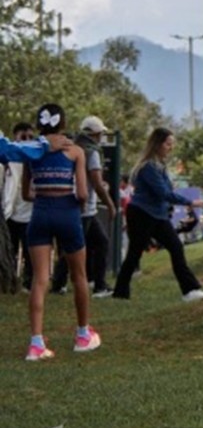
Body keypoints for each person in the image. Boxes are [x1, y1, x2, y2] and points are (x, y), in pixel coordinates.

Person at [22, 103, 99, 361]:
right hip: (67, 213)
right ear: (63, 123)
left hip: (40, 214)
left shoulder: (31, 152)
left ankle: (36, 342)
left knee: (40, 279)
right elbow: (84, 193)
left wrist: (43, 194)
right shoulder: (75, 151)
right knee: (79, 275)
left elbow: (26, 193)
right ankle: (82, 335)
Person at [111, 128, 203, 302]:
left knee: (175, 246)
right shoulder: (149, 167)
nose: (171, 147)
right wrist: (190, 202)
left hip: (156, 215)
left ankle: (190, 290)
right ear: (157, 144)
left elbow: (167, 192)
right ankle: (120, 292)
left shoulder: (159, 166)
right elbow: (163, 193)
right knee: (135, 253)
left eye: (172, 144)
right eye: (168, 144)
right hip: (142, 214)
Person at [51, 116, 116, 298]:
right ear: (95, 133)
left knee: (98, 242)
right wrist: (110, 204)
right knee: (72, 247)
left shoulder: (73, 148)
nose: (101, 137)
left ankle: (98, 283)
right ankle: (60, 283)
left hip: (74, 204)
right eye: (101, 133)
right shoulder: (92, 153)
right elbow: (95, 181)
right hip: (85, 206)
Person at [3, 122, 37, 291]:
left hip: (29, 214)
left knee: (30, 253)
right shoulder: (8, 158)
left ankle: (28, 282)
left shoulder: (34, 159)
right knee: (11, 250)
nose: (27, 140)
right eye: (23, 136)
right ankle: (9, 281)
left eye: (31, 137)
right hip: (10, 213)